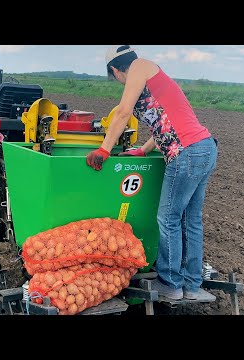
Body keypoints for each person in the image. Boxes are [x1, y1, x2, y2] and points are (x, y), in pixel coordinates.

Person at [86, 45, 218, 301]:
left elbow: (123, 111)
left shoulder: (139, 67)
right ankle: (192, 286)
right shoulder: (153, 76)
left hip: (187, 153)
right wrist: (143, 150)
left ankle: (170, 283)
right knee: (190, 221)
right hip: (203, 148)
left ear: (115, 70)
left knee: (168, 218)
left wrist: (104, 149)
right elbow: (165, 123)